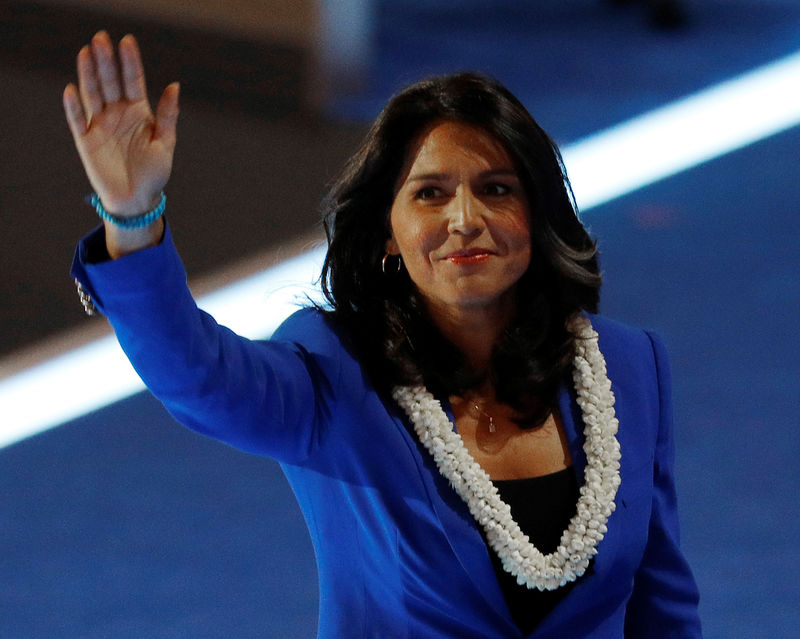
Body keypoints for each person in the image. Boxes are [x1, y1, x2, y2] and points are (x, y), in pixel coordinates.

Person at [65, 31, 701, 639]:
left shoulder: (625, 365)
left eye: (497, 190)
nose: (465, 220)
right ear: (389, 236)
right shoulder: (335, 374)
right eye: (429, 194)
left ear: (536, 214)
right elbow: (196, 375)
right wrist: (131, 218)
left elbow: (662, 602)